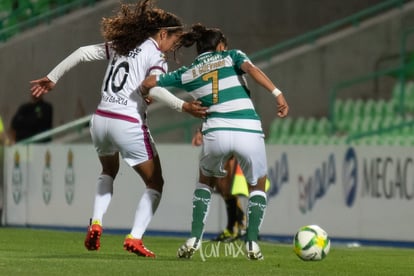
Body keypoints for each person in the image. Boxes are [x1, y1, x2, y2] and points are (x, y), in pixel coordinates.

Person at [30, 0, 206, 258]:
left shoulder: (121, 45)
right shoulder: (155, 55)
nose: (173, 48)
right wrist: (184, 106)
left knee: (108, 170)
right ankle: (135, 238)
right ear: (162, 33)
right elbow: (153, 87)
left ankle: (97, 222)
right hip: (127, 122)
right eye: (174, 40)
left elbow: (81, 52)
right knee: (155, 182)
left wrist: (53, 77)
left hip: (100, 120)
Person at [141, 23, 289, 260]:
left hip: (216, 132)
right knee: (257, 186)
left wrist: (144, 93)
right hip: (248, 129)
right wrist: (277, 93)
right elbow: (251, 69)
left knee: (205, 182)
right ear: (220, 46)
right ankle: (252, 243)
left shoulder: (188, 71)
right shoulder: (231, 56)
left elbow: (149, 83)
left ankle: (194, 238)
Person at [192, 127, 246, 242]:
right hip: (219, 138)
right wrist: (200, 132)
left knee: (227, 188)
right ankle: (238, 225)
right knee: (223, 188)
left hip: (229, 137)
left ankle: (234, 228)